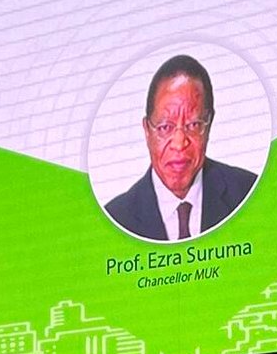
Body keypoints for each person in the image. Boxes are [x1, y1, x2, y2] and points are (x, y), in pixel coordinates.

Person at [103, 54, 257, 241]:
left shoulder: (251, 194)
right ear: (147, 131)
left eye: (193, 125)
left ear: (209, 125)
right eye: (165, 127)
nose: (179, 143)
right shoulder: (113, 222)